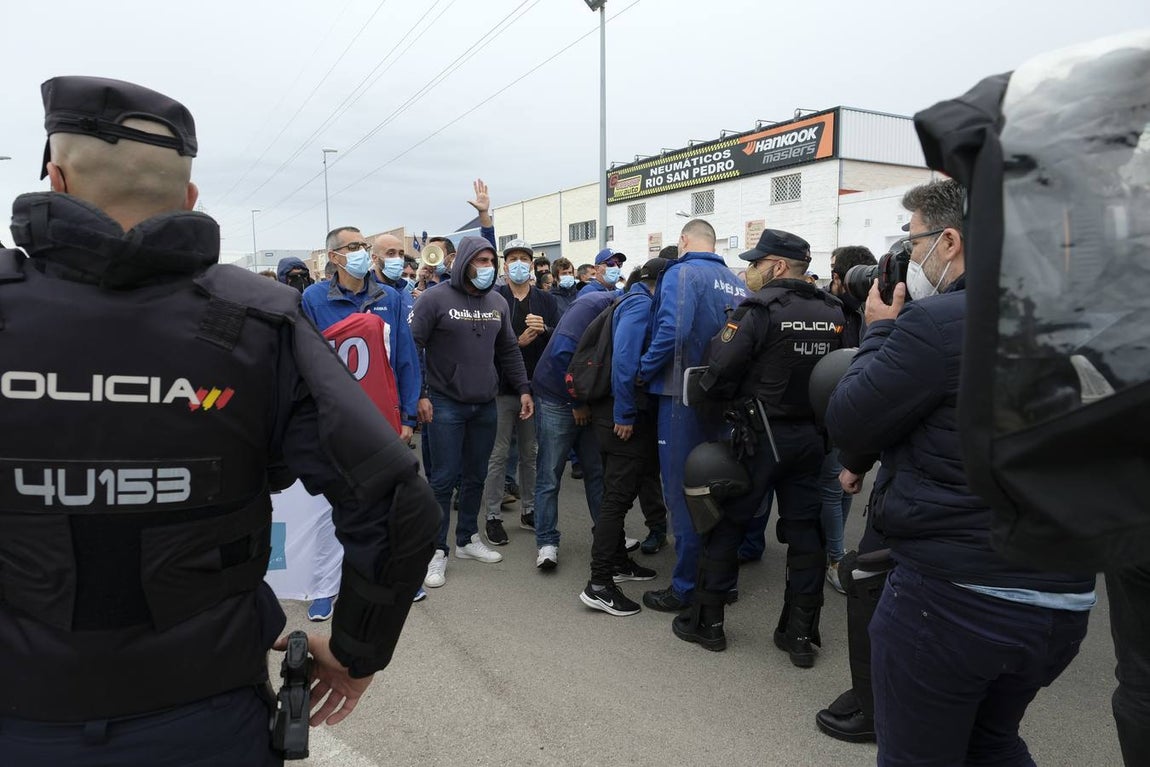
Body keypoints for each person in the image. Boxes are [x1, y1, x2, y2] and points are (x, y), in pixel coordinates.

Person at [0, 75, 438, 766]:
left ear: (54, 178)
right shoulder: (259, 322)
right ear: (189, 198)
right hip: (206, 720)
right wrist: (356, 652)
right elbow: (399, 502)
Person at [826, 179, 1095, 765]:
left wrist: (878, 333)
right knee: (991, 740)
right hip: (1062, 598)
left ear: (949, 241)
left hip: (954, 598)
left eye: (912, 238)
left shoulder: (939, 325)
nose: (907, 254)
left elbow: (850, 421)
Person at [672, 229, 844, 666]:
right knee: (807, 534)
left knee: (727, 525)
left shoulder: (759, 309)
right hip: (812, 439)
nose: (750, 270)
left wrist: (717, 399)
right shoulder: (835, 310)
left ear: (778, 267)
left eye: (756, 262)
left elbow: (718, 370)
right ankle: (800, 635)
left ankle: (707, 624)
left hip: (759, 437)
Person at [300, 226, 423, 619]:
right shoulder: (313, 299)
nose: (362, 253)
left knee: (390, 503)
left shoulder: (389, 296)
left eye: (363, 246)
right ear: (333, 256)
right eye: (353, 247)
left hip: (383, 417)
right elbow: (305, 360)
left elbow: (405, 357)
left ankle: (399, 576)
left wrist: (407, 415)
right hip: (335, 418)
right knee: (329, 505)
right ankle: (324, 586)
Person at [411, 235, 534, 588]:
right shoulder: (435, 298)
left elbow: (509, 349)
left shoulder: (497, 301)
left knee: (476, 476)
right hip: (445, 402)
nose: (487, 268)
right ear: (463, 262)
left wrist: (524, 388)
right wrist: (420, 394)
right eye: (479, 261)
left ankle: (466, 539)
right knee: (443, 479)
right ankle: (435, 550)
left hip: (486, 402)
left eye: (489, 262)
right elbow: (412, 346)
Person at [637, 219, 746, 612]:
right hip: (723, 398)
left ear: (683, 241)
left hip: (681, 396)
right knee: (719, 487)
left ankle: (685, 587)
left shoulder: (681, 273)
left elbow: (672, 332)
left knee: (683, 493)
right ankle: (721, 582)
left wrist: (642, 370)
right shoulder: (736, 281)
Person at [580, 258, 672, 615]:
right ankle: (599, 584)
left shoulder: (630, 300)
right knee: (616, 499)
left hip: (616, 413)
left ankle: (617, 564)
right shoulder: (640, 304)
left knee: (618, 493)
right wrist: (626, 412)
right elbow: (624, 360)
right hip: (620, 417)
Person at [480, 238, 559, 545]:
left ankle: (530, 509)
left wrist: (545, 330)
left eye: (523, 259)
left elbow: (560, 336)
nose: (518, 264)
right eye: (512, 258)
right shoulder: (495, 297)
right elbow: (485, 342)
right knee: (498, 454)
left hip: (536, 387)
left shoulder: (545, 300)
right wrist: (518, 342)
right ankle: (493, 515)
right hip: (501, 387)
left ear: (531, 265)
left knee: (531, 453)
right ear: (505, 264)